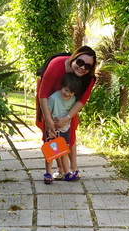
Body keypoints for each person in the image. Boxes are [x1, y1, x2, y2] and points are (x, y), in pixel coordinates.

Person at [36, 46, 97, 183]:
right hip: (48, 100)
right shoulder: (56, 65)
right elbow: (43, 93)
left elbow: (82, 100)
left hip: (69, 102)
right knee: (51, 135)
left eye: (87, 66)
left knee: (70, 131)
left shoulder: (89, 78)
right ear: (73, 57)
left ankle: (73, 168)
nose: (82, 68)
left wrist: (67, 117)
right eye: (80, 62)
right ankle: (59, 169)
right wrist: (48, 120)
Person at [44, 71, 84, 179]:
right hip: (52, 128)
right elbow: (47, 112)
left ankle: (67, 173)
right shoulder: (53, 98)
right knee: (51, 151)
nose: (67, 94)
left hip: (65, 128)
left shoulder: (73, 99)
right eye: (65, 90)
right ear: (62, 86)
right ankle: (48, 173)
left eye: (70, 93)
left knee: (64, 151)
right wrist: (50, 126)